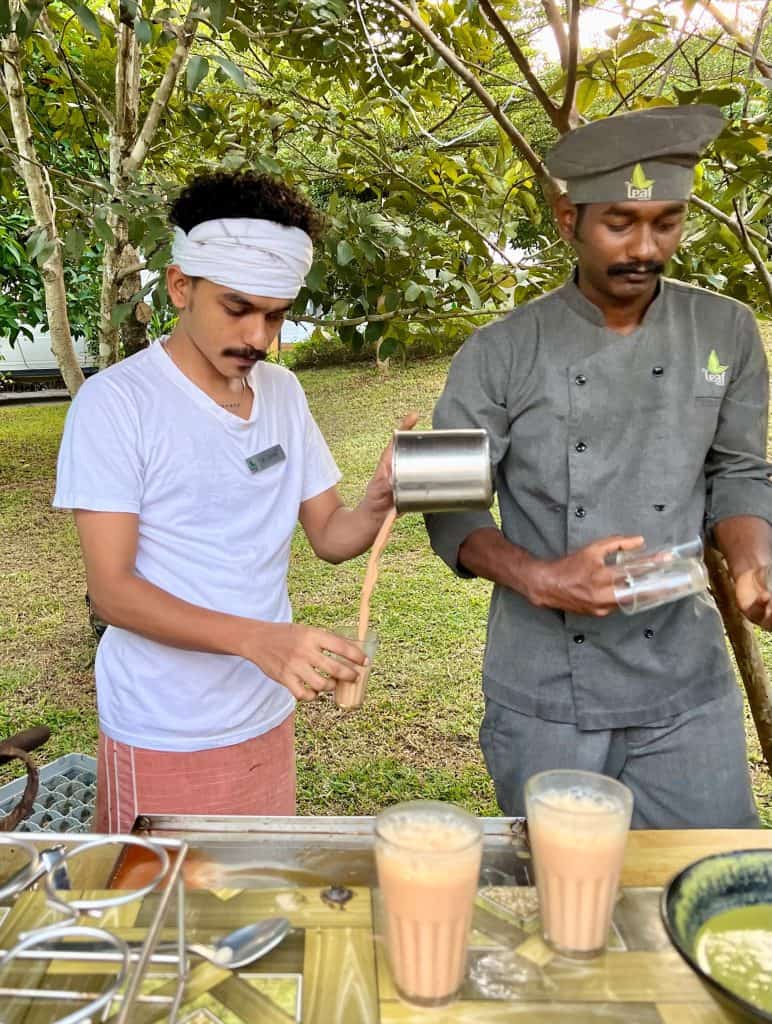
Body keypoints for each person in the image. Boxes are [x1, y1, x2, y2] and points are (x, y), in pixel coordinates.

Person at [425, 105, 771, 828]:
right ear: (566, 217)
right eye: (620, 222)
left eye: (667, 221)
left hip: (686, 679)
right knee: (560, 905)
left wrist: (751, 564)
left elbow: (739, 472)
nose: (646, 247)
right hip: (548, 689)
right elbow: (446, 504)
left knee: (708, 889)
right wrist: (542, 577)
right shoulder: (498, 352)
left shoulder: (726, 330)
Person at [54, 170, 415, 831]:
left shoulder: (283, 394)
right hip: (165, 726)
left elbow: (331, 535)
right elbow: (111, 591)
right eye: (238, 307)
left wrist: (379, 497)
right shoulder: (117, 404)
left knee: (255, 899)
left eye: (275, 315)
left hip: (263, 711)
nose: (258, 337)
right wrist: (260, 642)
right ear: (181, 286)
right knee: (160, 922)